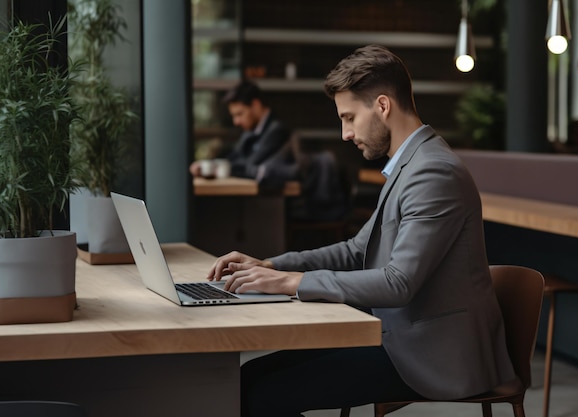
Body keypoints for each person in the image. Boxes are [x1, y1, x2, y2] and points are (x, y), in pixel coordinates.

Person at [206, 45, 516, 416]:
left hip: (429, 355)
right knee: (248, 379)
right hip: (395, 337)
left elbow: (399, 283)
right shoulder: (408, 165)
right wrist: (272, 266)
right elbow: (357, 250)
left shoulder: (434, 172)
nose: (345, 133)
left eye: (349, 117)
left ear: (382, 106)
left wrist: (293, 283)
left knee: (260, 393)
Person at [189, 80, 297, 183]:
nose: (236, 122)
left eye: (240, 114)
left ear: (255, 105)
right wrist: (210, 166)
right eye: (234, 116)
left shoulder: (277, 130)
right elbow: (234, 157)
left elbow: (250, 164)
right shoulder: (251, 130)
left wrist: (218, 168)